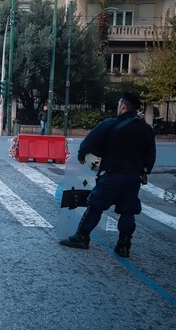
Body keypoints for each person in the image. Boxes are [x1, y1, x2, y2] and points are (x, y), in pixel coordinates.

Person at [59, 92, 156, 257]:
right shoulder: (146, 129)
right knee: (128, 211)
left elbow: (88, 143)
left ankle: (82, 237)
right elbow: (151, 157)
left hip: (113, 175)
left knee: (95, 204)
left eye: (119, 105)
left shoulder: (111, 124)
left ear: (123, 106)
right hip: (133, 178)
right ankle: (124, 245)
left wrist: (82, 155)